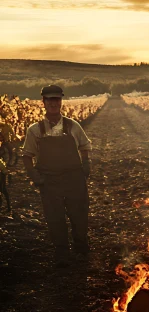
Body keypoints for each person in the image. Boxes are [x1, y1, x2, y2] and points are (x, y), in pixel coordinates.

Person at [21, 85, 92, 268]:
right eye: (50, 100)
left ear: (61, 102)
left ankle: (81, 249)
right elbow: (27, 155)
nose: (54, 103)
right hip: (49, 181)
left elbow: (85, 146)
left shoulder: (72, 125)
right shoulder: (35, 130)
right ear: (43, 103)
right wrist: (33, 175)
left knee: (79, 214)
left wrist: (86, 164)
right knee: (55, 218)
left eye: (57, 100)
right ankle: (62, 253)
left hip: (74, 178)